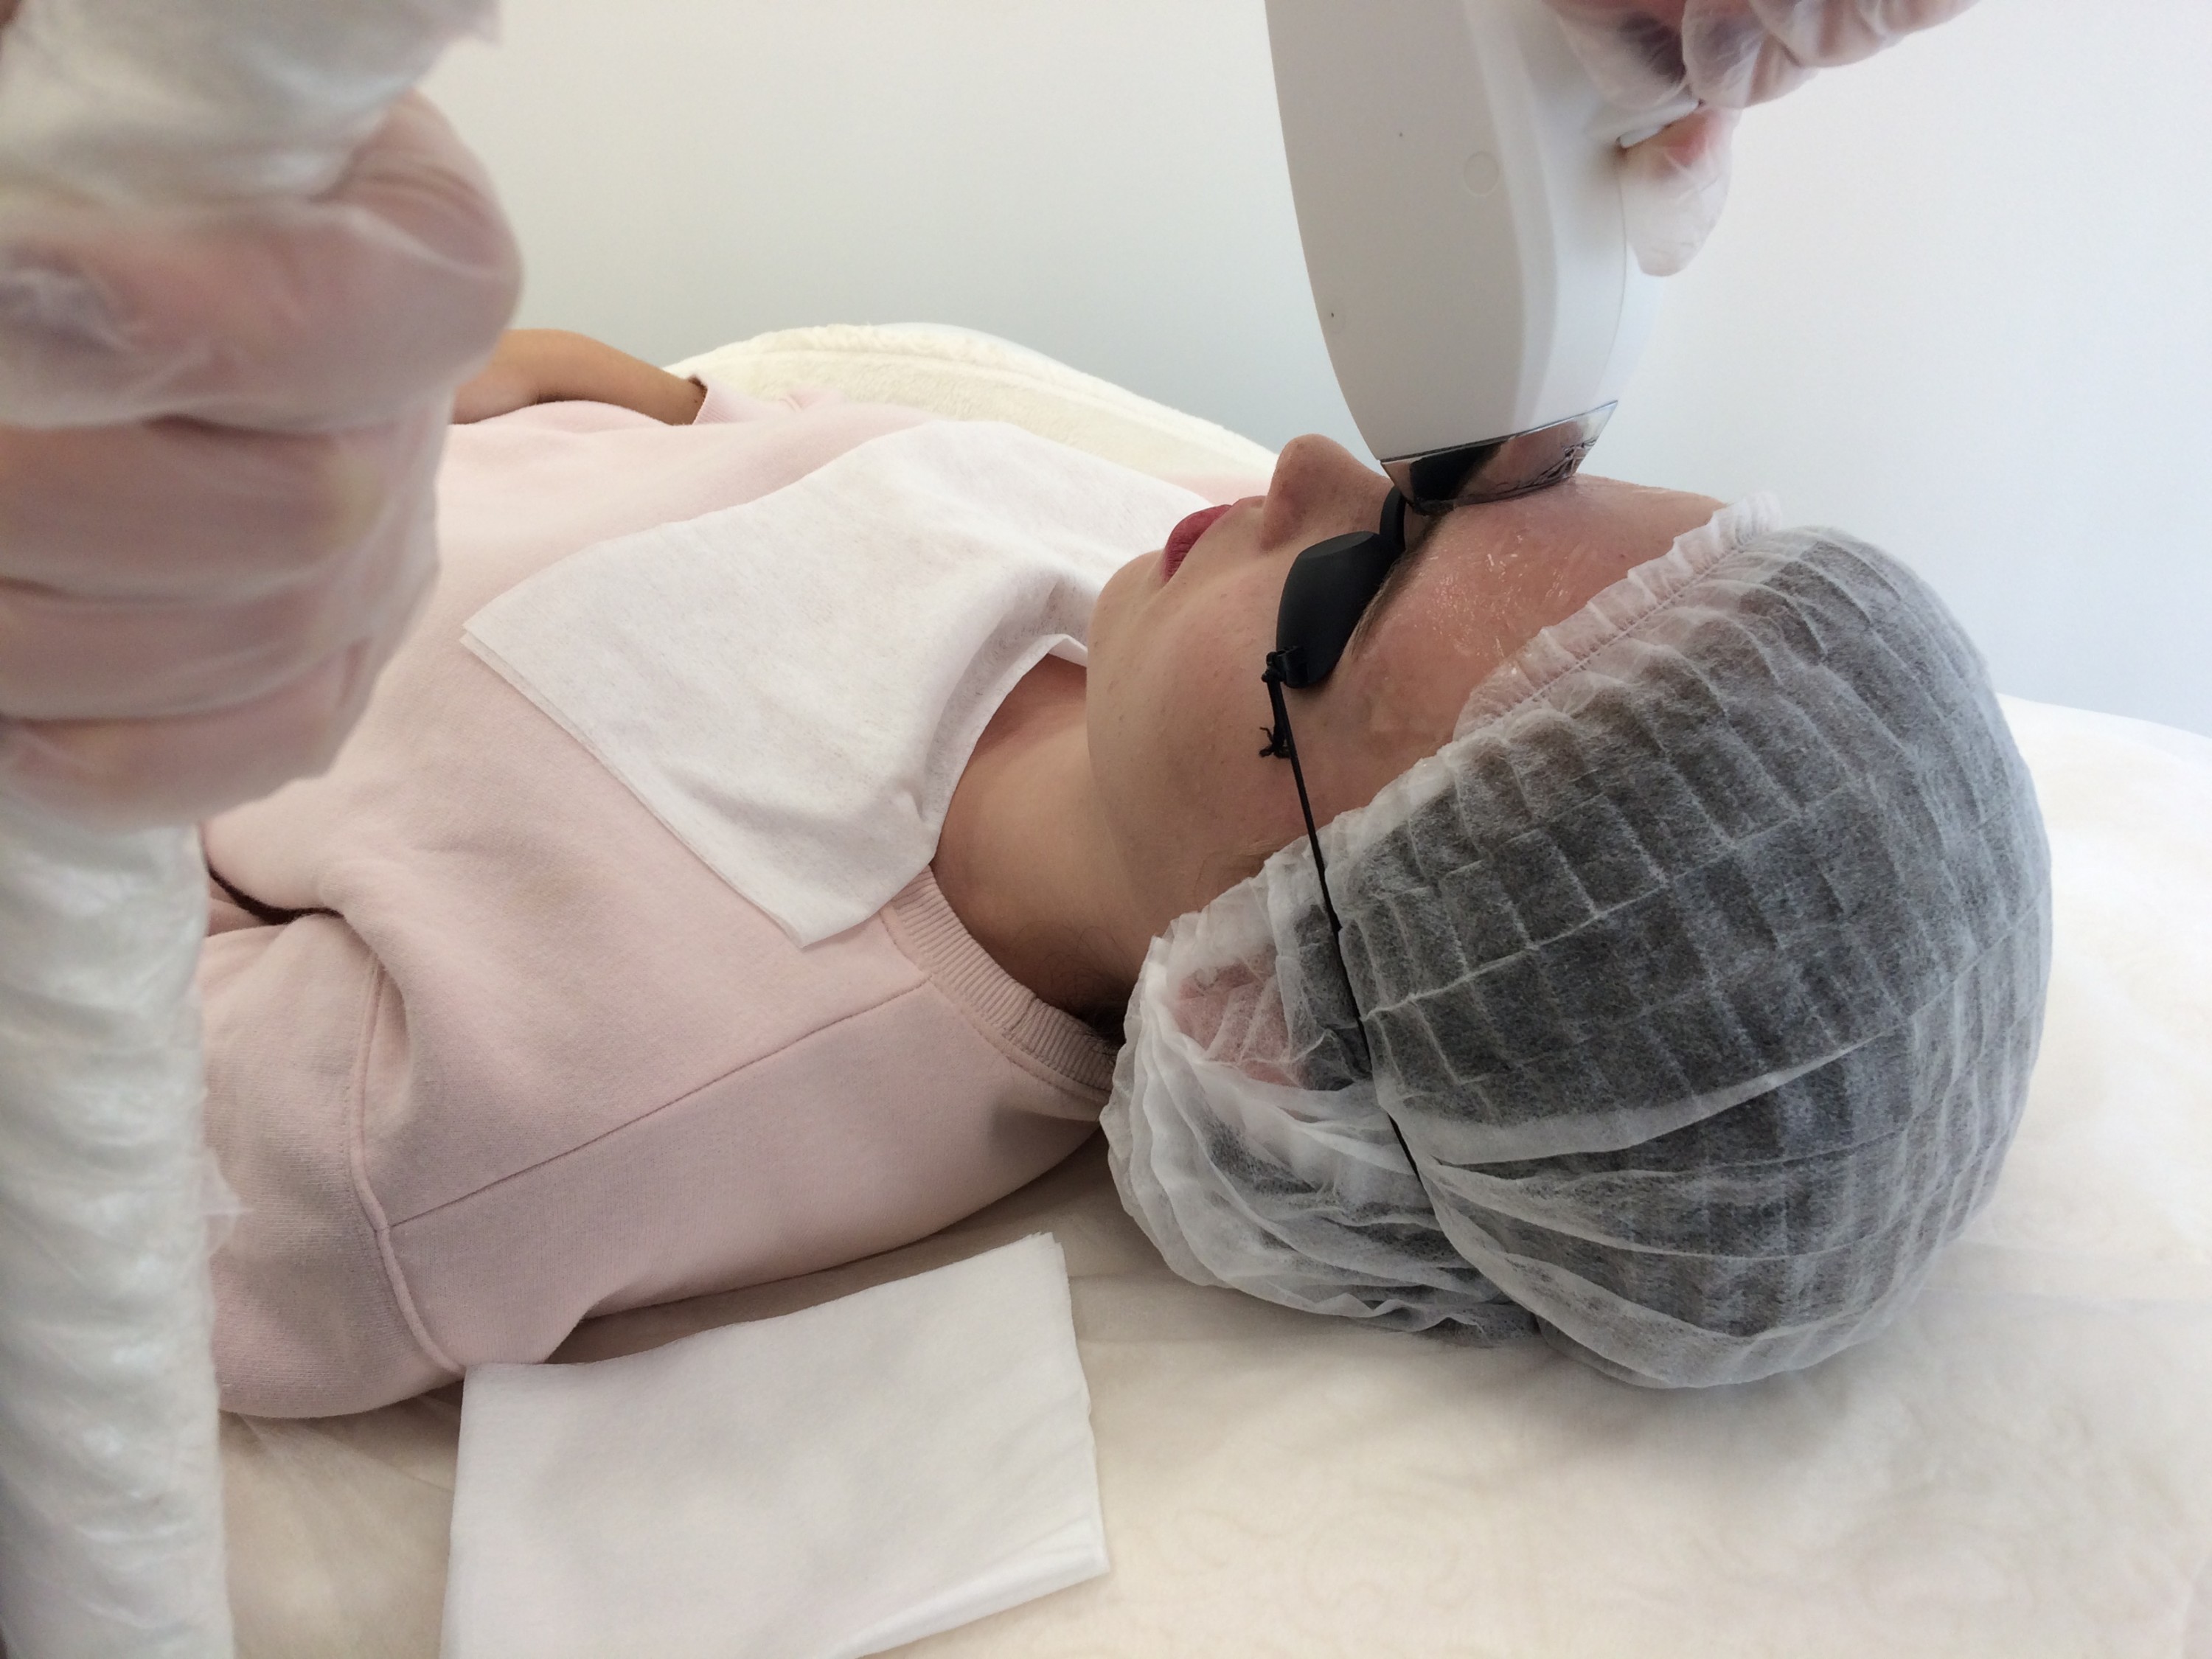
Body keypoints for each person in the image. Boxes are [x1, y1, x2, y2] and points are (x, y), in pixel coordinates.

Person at [196, 324, 2044, 1411]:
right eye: (1468, 481)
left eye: (1345, 591)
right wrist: (588, 386)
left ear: (1271, 1017)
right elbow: (791, 464)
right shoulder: (1156, 599)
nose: (1307, 466)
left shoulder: (553, 1100)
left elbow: (102, 1139)